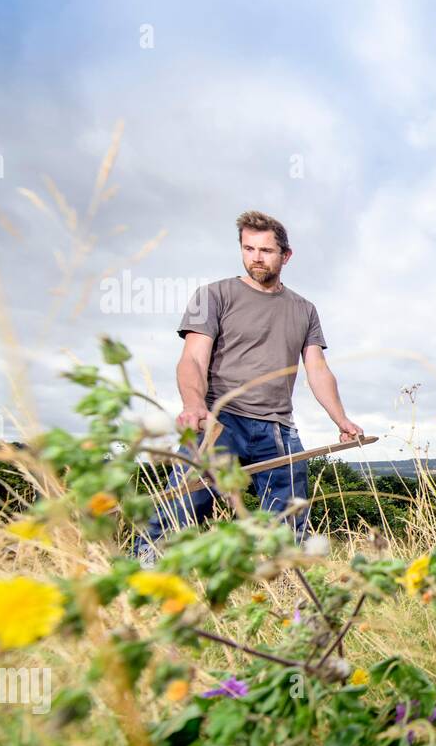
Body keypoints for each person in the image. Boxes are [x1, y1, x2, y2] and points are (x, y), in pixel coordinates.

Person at [134, 210, 364, 560]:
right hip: (218, 421)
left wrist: (341, 420)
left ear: (286, 256)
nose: (256, 257)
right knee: (181, 507)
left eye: (266, 250)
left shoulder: (305, 309)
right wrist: (193, 405)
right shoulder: (212, 295)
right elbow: (193, 358)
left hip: (277, 428)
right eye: (248, 248)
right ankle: (146, 576)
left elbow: (317, 368)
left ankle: (288, 593)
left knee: (288, 520)